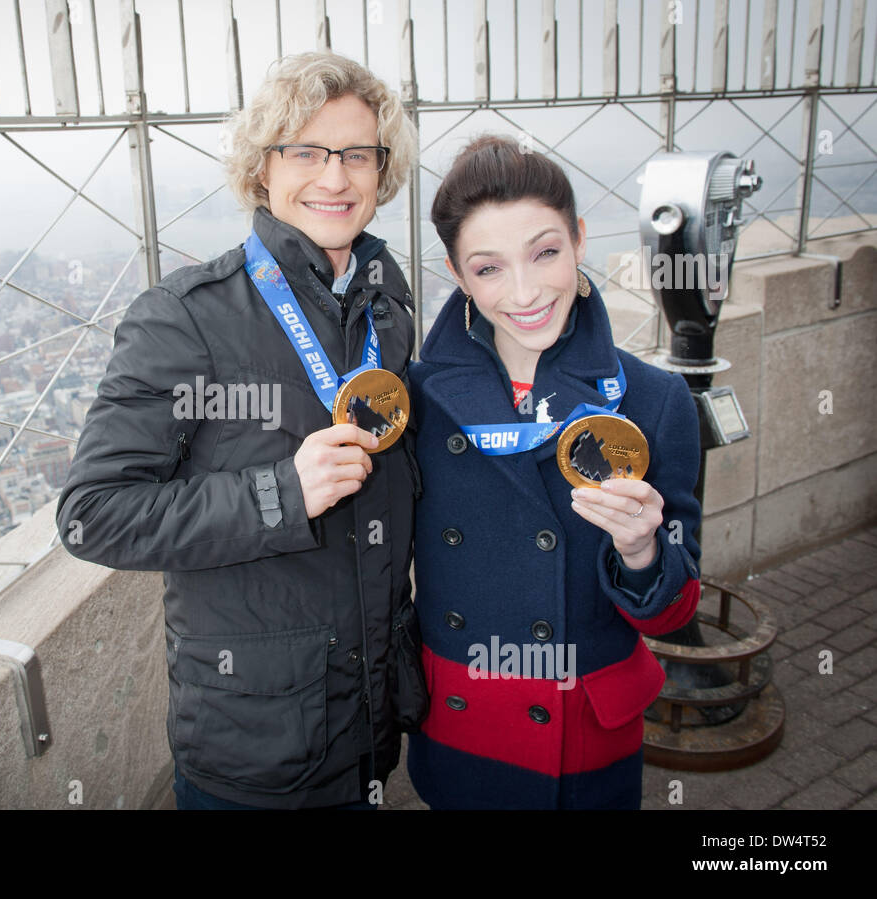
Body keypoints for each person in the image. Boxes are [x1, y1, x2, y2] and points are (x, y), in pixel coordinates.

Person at [55, 52, 420, 809]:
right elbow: (93, 515)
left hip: (372, 727)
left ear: (382, 172)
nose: (334, 177)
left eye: (357, 154)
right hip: (255, 750)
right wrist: (282, 493)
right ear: (262, 169)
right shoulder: (185, 317)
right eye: (306, 152)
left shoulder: (388, 306)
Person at [407, 134, 703, 809]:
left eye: (545, 252)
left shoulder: (655, 401)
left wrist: (642, 550)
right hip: (462, 721)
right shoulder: (415, 402)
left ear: (579, 239)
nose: (525, 290)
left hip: (582, 740)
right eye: (488, 268)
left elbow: (674, 611)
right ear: (458, 276)